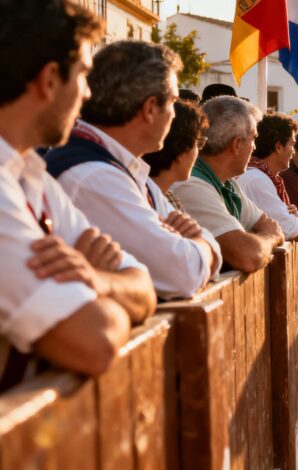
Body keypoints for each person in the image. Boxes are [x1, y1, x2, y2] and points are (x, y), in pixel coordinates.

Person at [0, 0, 156, 388]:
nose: (87, 94)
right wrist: (106, 291)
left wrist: (98, 281)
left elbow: (145, 286)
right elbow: (95, 341)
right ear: (50, 79)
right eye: (83, 74)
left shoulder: (34, 179)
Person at [45, 40, 219, 300]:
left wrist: (197, 246)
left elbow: (197, 256)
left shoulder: (125, 168)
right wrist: (201, 244)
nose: (174, 114)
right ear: (150, 109)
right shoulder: (94, 175)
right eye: (172, 102)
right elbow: (181, 273)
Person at [172, 96, 284, 272]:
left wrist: (262, 236)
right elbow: (249, 255)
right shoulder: (191, 185)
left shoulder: (228, 182)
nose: (254, 147)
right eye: (253, 138)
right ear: (237, 144)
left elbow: (266, 223)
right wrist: (270, 237)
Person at [141, 100, 223, 274]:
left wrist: (197, 240)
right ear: (182, 151)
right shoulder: (144, 193)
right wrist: (200, 241)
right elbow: (186, 270)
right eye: (198, 144)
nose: (198, 153)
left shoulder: (166, 195)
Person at [235, 113, 298, 242]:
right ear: (279, 147)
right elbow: (291, 230)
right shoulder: (257, 180)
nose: (293, 151)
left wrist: (294, 217)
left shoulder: (262, 177)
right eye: (292, 145)